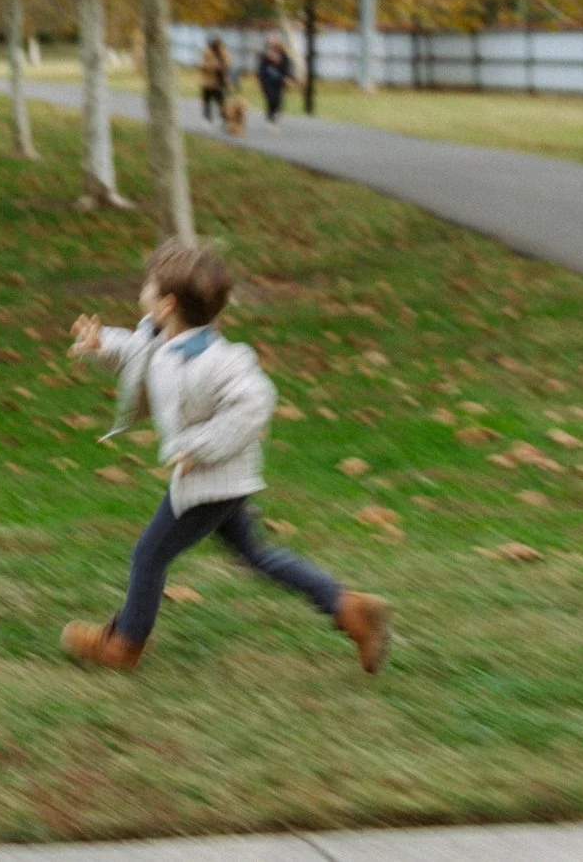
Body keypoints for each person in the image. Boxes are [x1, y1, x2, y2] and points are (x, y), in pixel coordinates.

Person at [61, 238, 392, 673]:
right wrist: (102, 345)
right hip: (223, 482)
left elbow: (256, 400)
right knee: (254, 554)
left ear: (167, 304)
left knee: (149, 555)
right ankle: (348, 607)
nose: (141, 291)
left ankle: (123, 645)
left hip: (210, 483)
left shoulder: (217, 359)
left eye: (148, 285)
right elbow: (139, 353)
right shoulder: (165, 337)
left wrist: (200, 446)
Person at [256, 33, 294, 128]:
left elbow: (287, 68)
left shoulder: (284, 56)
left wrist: (288, 78)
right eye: (270, 43)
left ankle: (272, 114)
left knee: (278, 100)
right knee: (271, 98)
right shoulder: (264, 56)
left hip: (278, 82)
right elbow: (261, 69)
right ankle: (271, 117)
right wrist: (260, 78)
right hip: (267, 81)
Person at [197, 36, 231, 126]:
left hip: (220, 81)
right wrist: (213, 66)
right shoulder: (207, 52)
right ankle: (207, 118)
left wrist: (223, 65)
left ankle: (225, 119)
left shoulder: (223, 52)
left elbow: (228, 62)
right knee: (207, 101)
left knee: (221, 101)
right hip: (208, 82)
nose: (218, 46)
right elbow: (202, 65)